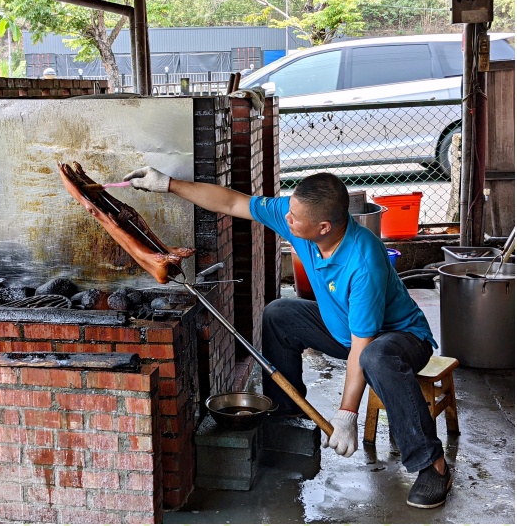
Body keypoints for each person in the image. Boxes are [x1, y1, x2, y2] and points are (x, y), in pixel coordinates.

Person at [123, 166, 451, 509]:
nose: (287, 219)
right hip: (342, 327)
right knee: (280, 314)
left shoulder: (363, 261)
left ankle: (432, 466)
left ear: (323, 227)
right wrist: (169, 185)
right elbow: (233, 202)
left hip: (399, 338)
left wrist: (346, 414)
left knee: (376, 358)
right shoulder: (299, 218)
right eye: (289, 212)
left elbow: (361, 348)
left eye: (294, 218)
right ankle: (287, 417)